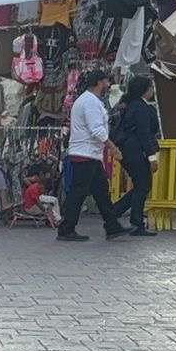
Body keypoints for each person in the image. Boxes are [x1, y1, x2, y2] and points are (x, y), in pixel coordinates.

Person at [59, 69, 130, 242]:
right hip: (86, 153)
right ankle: (66, 228)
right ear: (99, 82)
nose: (108, 85)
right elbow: (96, 129)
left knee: (101, 192)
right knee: (79, 192)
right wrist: (113, 147)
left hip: (90, 153)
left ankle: (111, 225)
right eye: (106, 81)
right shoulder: (90, 102)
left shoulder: (87, 100)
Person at [112, 75, 160, 237]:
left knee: (142, 185)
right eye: (151, 87)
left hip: (129, 151)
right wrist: (152, 158)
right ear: (144, 90)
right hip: (135, 152)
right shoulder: (140, 108)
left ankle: (115, 212)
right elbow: (144, 134)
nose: (152, 90)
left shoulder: (131, 105)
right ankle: (135, 222)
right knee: (143, 185)